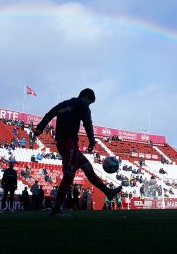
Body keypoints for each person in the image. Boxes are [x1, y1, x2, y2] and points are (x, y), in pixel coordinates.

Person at [33, 88, 122, 217]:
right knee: (69, 176)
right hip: (68, 143)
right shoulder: (82, 105)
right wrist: (92, 141)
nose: (89, 105)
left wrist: (40, 128)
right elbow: (87, 124)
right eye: (90, 102)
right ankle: (56, 211)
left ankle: (108, 191)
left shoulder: (63, 104)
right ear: (87, 97)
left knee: (88, 168)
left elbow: (49, 114)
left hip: (65, 143)